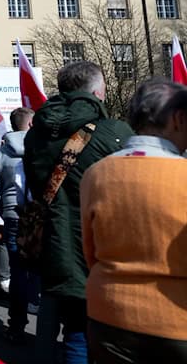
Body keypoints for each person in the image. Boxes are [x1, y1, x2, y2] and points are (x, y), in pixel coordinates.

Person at [24, 61, 133, 364]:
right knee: (99, 334)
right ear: (98, 91)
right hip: (103, 246)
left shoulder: (35, 135)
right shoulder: (112, 131)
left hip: (55, 244)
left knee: (74, 327)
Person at [81, 79, 187, 362]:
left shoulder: (96, 173)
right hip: (176, 321)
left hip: (109, 313)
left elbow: (90, 251)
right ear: (178, 119)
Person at [0, 107, 35, 342]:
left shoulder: (0, 153)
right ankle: (44, 325)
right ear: (31, 124)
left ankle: (16, 324)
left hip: (13, 215)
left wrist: (3, 209)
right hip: (38, 215)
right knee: (40, 270)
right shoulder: (41, 147)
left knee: (17, 271)